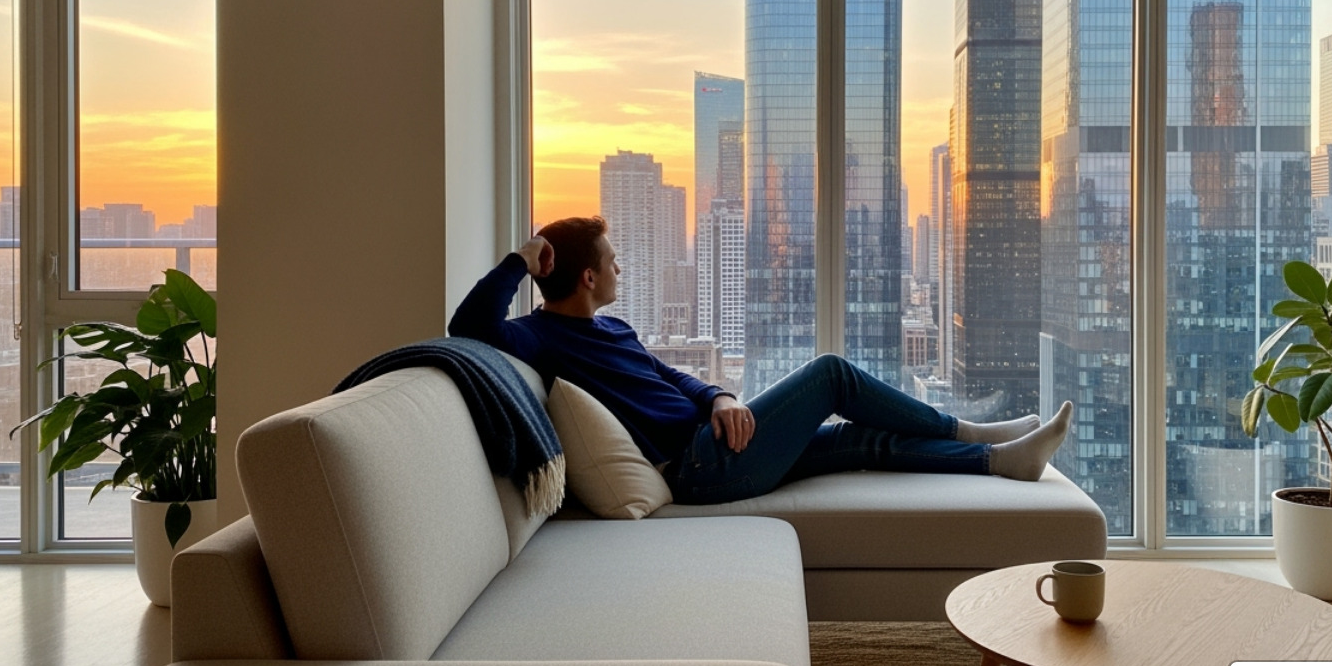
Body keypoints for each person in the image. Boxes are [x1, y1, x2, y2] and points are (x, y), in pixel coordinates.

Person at [449, 216, 1072, 506]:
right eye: (613, 262)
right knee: (832, 373)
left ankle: (998, 460)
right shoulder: (538, 338)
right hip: (699, 468)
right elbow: (466, 327)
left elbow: (671, 375)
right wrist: (519, 260)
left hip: (714, 439)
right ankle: (970, 430)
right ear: (587, 276)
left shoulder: (612, 326)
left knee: (860, 441)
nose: (621, 268)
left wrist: (719, 396)